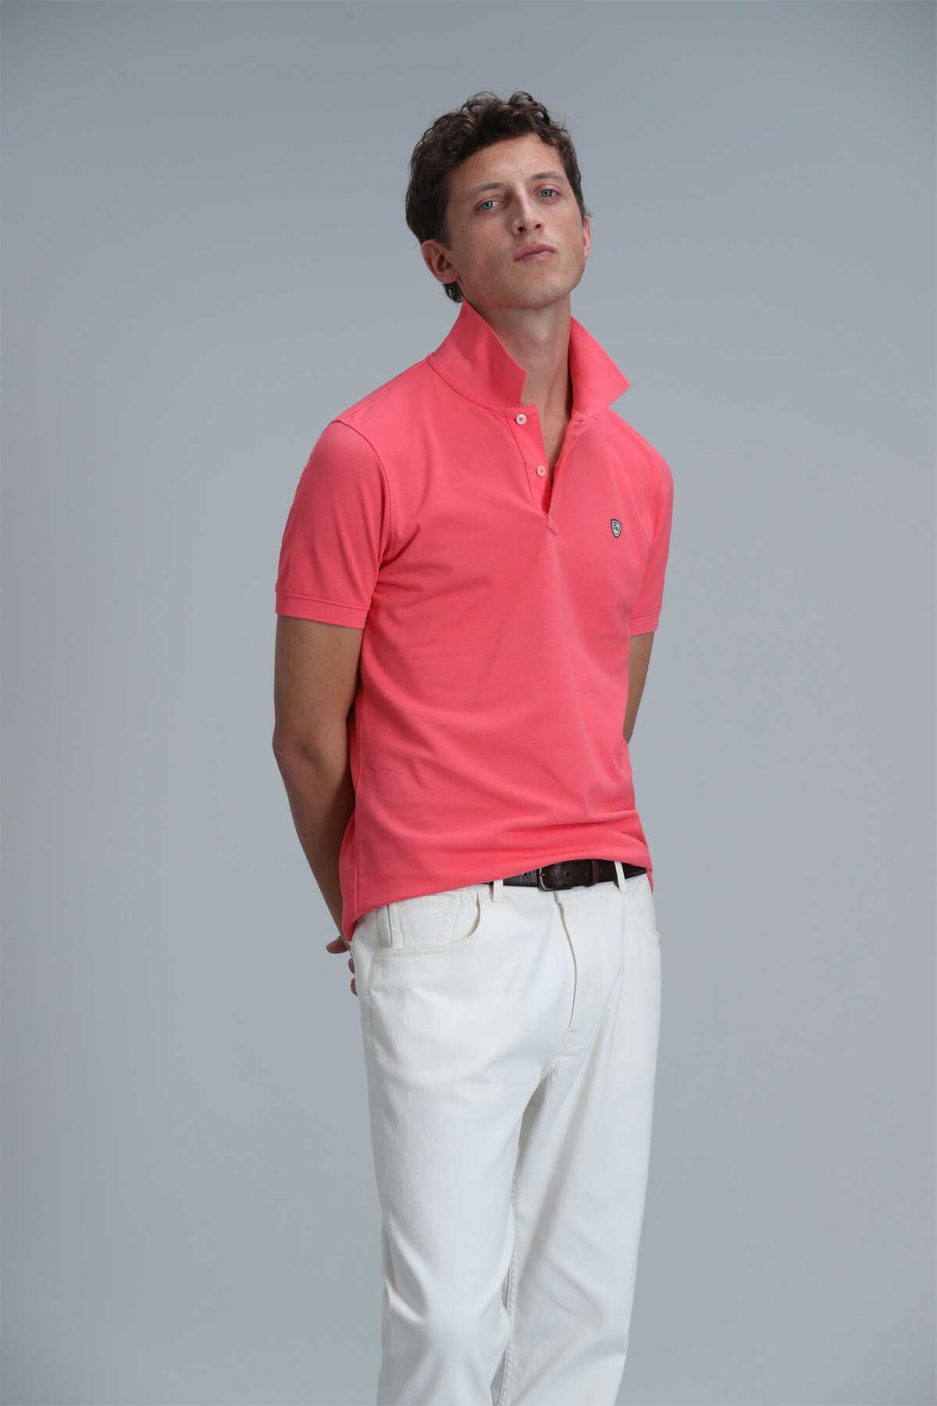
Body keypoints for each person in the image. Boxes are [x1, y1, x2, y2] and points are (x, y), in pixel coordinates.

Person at [272, 89, 674, 1406]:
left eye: (548, 192)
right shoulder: (365, 450)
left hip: (612, 921)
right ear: (442, 259)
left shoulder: (640, 471)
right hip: (446, 920)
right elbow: (305, 737)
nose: (527, 218)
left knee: (579, 1323)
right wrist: (382, 909)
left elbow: (608, 694)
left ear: (586, 227)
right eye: (490, 204)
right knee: (449, 1320)